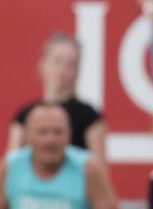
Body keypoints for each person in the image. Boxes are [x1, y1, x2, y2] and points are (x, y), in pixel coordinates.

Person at [8, 33, 107, 161]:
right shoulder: (24, 116)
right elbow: (11, 166)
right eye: (57, 61)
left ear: (77, 71)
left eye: (70, 64)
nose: (62, 70)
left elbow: (100, 171)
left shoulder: (90, 117)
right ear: (43, 64)